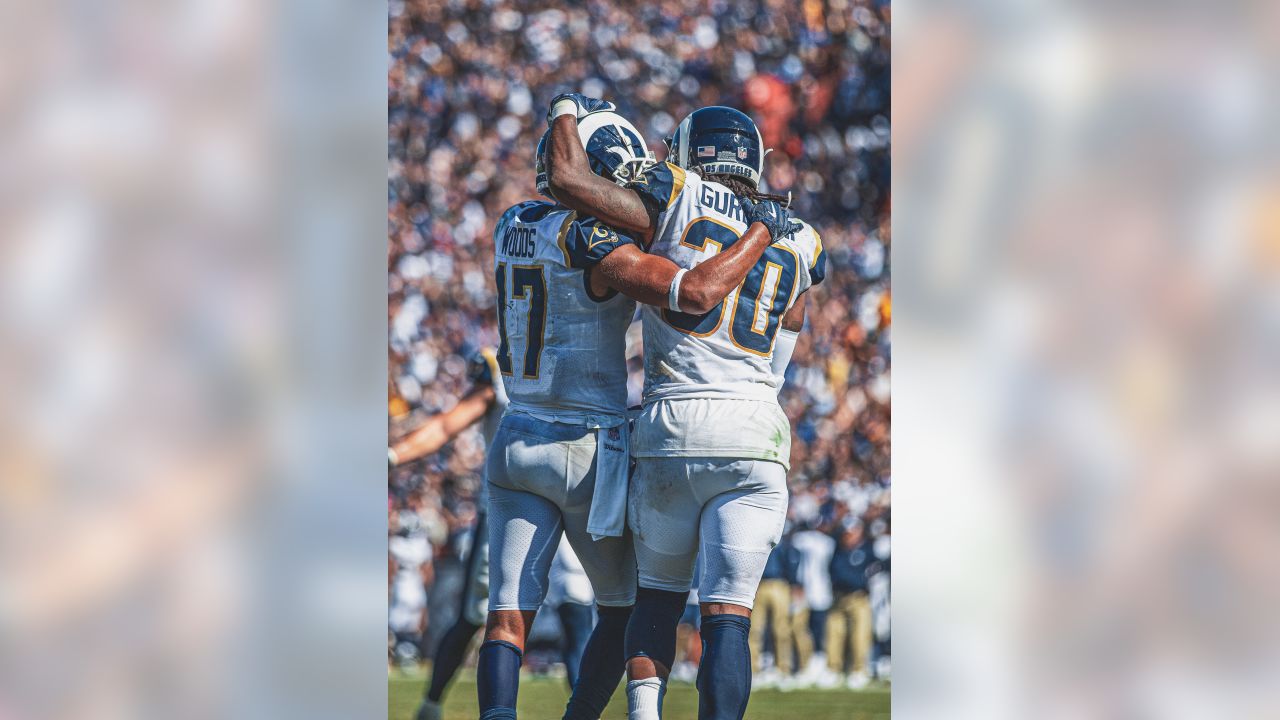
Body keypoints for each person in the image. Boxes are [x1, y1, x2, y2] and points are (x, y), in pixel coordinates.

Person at [478, 97, 799, 720]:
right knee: (626, 608)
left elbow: (567, 200)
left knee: (507, 617)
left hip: (516, 430)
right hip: (589, 438)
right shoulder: (590, 235)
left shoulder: (511, 221)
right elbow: (688, 292)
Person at [394, 349, 507, 720]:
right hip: (509, 507)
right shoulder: (500, 364)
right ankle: (432, 702)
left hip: (573, 502)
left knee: (579, 611)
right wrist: (393, 455)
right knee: (479, 616)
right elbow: (446, 425)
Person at [827, 519, 877, 689]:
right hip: (840, 597)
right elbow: (834, 572)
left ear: (859, 531)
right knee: (835, 633)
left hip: (859, 598)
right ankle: (834, 669)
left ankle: (859, 670)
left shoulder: (868, 550)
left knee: (860, 635)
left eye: (851, 532)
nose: (848, 536)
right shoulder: (839, 550)